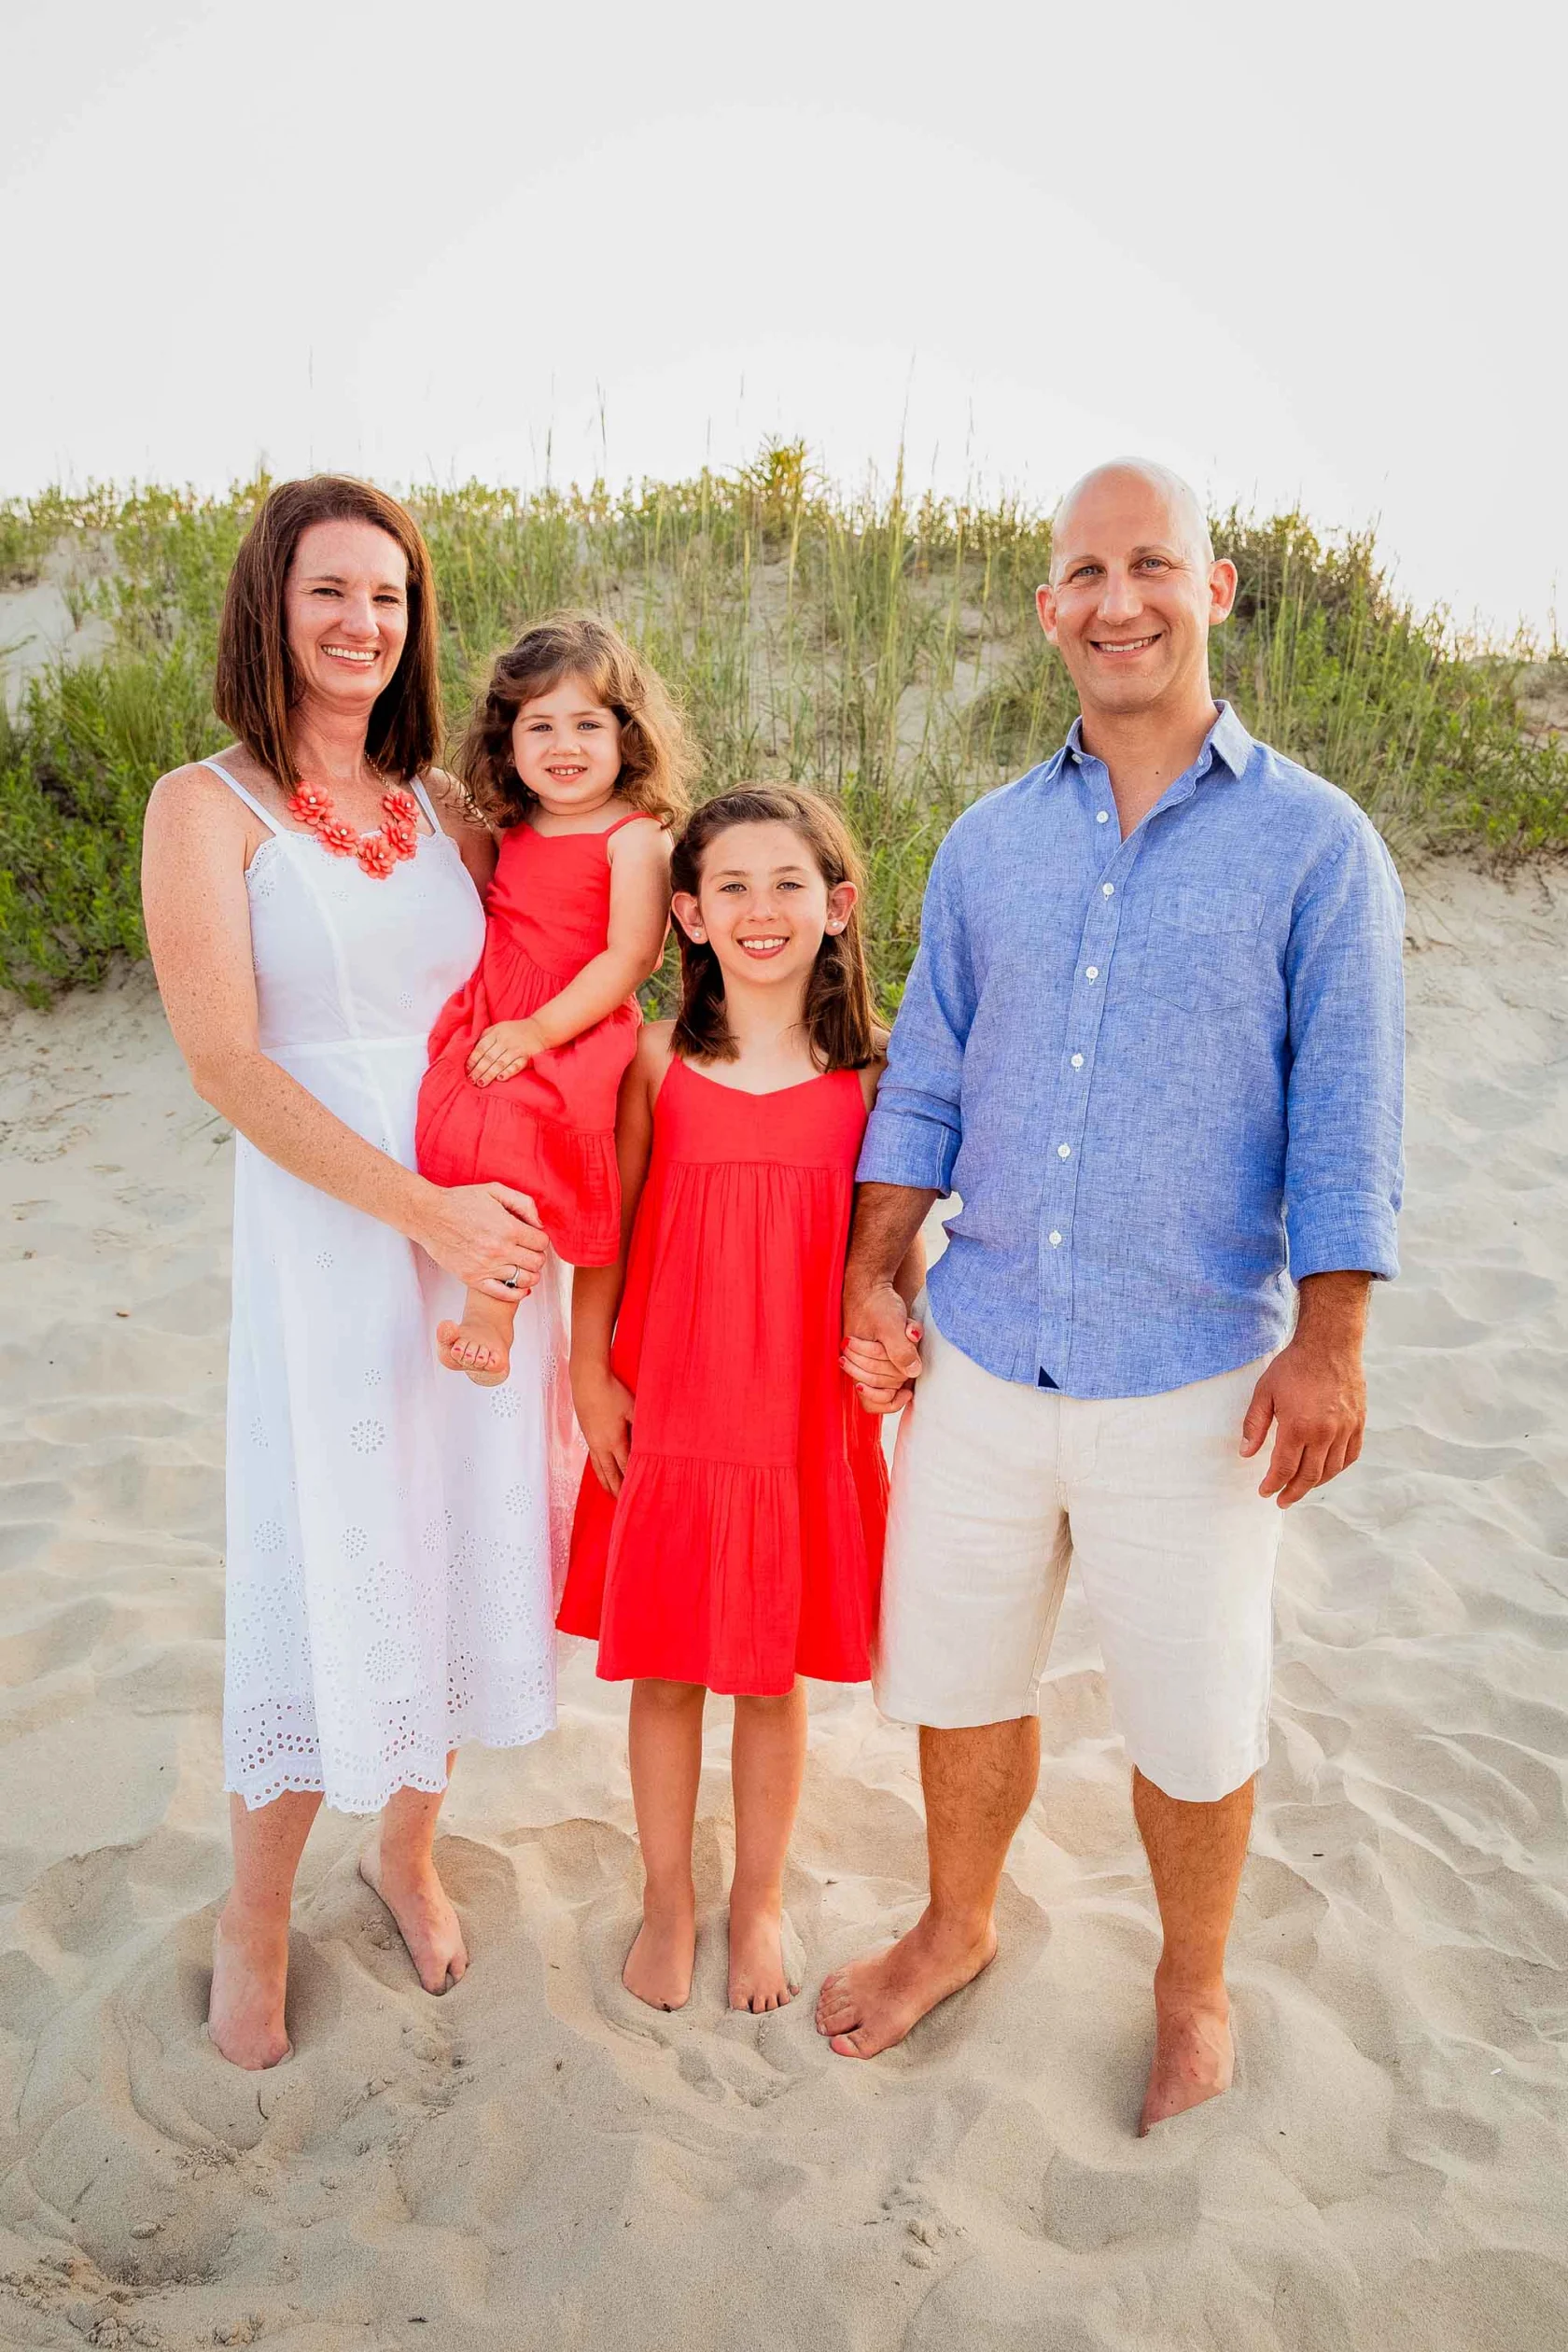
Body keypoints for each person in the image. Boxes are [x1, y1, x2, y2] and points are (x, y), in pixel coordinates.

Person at [821, 459, 1405, 2130]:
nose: (1119, 599)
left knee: (1194, 1711)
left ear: (1216, 591)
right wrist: (877, 1259)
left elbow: (1348, 1108)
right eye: (1087, 570)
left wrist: (1335, 1342)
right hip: (988, 1352)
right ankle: (957, 1922)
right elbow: (924, 1078)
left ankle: (1192, 1983)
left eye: (1154, 565)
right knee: (959, 1672)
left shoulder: (1317, 846)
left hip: (1193, 1375)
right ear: (1047, 609)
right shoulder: (993, 844)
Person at [141, 476, 572, 2072]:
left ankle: (406, 1844)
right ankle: (256, 1907)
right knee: (327, 1552)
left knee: (457, 1529)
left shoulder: (451, 812)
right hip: (339, 1241)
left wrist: (509, 1236)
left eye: (388, 598)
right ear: (271, 604)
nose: (363, 625)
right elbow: (225, 1065)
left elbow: (561, 989)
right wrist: (425, 1216)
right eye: (331, 592)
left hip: (487, 1246)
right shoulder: (207, 810)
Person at [557, 787, 919, 2014]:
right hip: (675, 1406)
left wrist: (896, 1346)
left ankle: (756, 1901)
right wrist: (589, 1368)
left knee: (772, 1678)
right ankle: (671, 1900)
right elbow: (604, 1230)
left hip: (801, 1419)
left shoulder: (873, 1076)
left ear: (838, 906)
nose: (762, 909)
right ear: (690, 917)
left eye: (788, 884)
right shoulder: (657, 1060)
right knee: (664, 1671)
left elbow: (891, 1261)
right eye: (733, 888)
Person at [415, 615, 695, 1384]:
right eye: (539, 726)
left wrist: (539, 1030)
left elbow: (632, 955)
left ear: (625, 737)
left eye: (586, 724)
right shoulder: (516, 823)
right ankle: (455, 1273)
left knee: (516, 1150)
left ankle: (490, 1315)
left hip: (570, 1022)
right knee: (456, 1132)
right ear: (508, 744)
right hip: (498, 1005)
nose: (563, 746)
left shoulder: (636, 836)